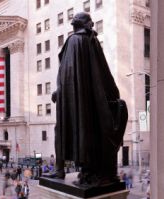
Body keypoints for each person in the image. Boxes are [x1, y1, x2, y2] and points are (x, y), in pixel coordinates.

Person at [51, 12, 128, 185]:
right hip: (91, 101)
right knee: (84, 132)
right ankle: (81, 171)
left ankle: (62, 171)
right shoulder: (91, 41)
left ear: (75, 25)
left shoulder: (74, 41)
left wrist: (59, 92)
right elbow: (103, 72)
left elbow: (67, 74)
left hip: (74, 102)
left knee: (60, 132)